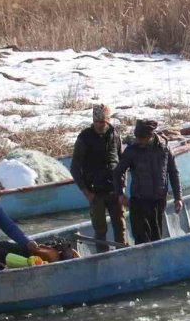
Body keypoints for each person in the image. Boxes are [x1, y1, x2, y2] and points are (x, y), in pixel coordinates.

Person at [113, 119, 183, 244]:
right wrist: (120, 194)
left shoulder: (164, 148)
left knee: (156, 237)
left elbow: (173, 172)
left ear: (150, 136)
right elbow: (117, 172)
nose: (138, 140)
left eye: (141, 138)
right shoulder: (132, 150)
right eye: (137, 137)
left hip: (158, 200)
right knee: (141, 238)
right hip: (139, 201)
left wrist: (178, 197)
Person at [71, 103, 126, 252]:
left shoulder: (115, 135)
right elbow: (75, 168)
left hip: (114, 190)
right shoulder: (84, 138)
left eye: (102, 121)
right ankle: (102, 256)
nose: (99, 124)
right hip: (95, 192)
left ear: (108, 120)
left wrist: (122, 187)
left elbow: (122, 162)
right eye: (96, 121)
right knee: (100, 230)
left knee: (120, 226)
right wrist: (86, 192)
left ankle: (123, 253)